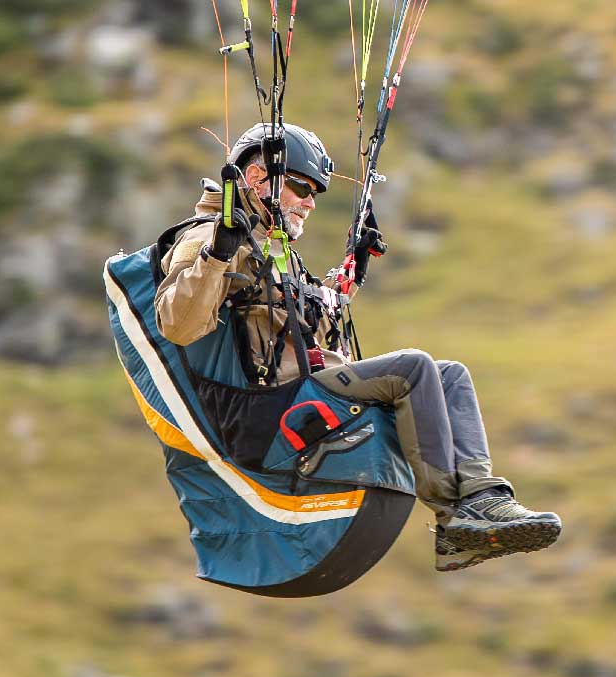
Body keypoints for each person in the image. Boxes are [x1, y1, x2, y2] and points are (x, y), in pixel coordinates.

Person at [153, 122, 559, 572]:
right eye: (300, 187)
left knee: (450, 374)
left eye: (315, 193)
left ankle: (481, 499)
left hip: (300, 392)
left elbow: (298, 325)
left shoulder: (270, 247)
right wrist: (217, 253)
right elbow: (177, 323)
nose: (309, 202)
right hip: (261, 415)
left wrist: (351, 275)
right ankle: (454, 518)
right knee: (413, 369)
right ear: (255, 179)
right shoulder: (206, 236)